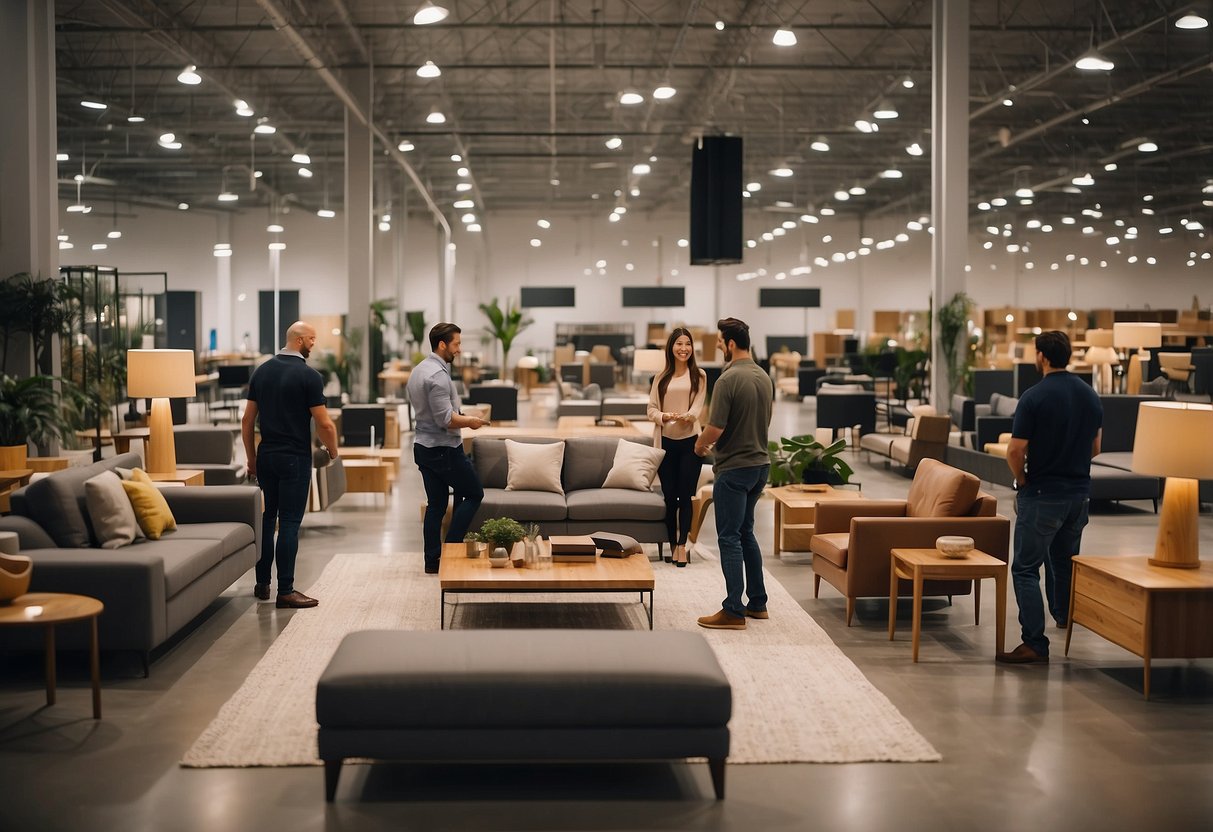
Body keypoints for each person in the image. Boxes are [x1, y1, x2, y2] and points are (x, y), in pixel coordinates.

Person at [998, 330, 1103, 664]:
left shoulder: (1034, 396)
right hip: (1079, 496)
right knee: (1064, 561)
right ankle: (1063, 616)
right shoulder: (1090, 395)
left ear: (1041, 356)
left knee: (1026, 568)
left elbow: (1015, 451)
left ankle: (1034, 643)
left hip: (1042, 493)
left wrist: (1023, 480)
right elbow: (1096, 448)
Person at [241, 321, 339, 609]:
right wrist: (333, 451)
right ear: (299, 341)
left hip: (267, 456)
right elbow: (325, 423)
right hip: (294, 458)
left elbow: (247, 421)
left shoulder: (262, 371)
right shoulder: (309, 376)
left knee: (268, 519)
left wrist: (251, 458)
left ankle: (262, 583)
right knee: (290, 524)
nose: (313, 345)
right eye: (311, 340)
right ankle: (286, 590)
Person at [694, 317, 774, 629]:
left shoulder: (728, 379)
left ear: (730, 343)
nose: (718, 348)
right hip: (759, 466)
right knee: (745, 532)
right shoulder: (763, 377)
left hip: (734, 469)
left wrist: (700, 445)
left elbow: (715, 427)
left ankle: (732, 610)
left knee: (728, 537)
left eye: (719, 343)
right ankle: (758, 603)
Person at [406, 322, 491, 574]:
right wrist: (471, 421)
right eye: (456, 344)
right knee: (474, 493)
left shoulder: (419, 370)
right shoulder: (438, 377)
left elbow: (436, 413)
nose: (459, 350)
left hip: (424, 446)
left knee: (436, 505)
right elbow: (446, 419)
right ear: (442, 344)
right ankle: (452, 550)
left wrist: (461, 414)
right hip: (443, 449)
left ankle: (432, 562)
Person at [647, 327, 708, 567]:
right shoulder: (661, 377)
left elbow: (698, 407)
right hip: (666, 443)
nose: (683, 348)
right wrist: (664, 416)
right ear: (671, 347)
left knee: (686, 496)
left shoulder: (699, 375)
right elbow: (651, 409)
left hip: (690, 443)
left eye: (688, 344)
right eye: (679, 344)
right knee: (670, 497)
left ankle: (683, 546)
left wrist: (688, 416)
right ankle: (671, 544)